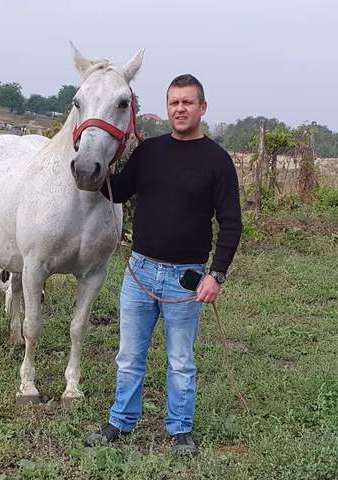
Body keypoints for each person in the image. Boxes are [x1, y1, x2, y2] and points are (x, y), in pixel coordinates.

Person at [86, 74, 242, 455]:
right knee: (129, 356)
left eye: (188, 102)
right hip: (139, 272)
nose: (180, 109)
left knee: (181, 361)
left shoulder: (218, 162)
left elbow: (231, 223)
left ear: (202, 108)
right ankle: (121, 423)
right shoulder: (149, 152)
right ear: (167, 107)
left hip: (186, 280)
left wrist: (216, 275)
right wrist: (97, 161)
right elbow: (119, 191)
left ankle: (180, 430)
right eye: (174, 102)